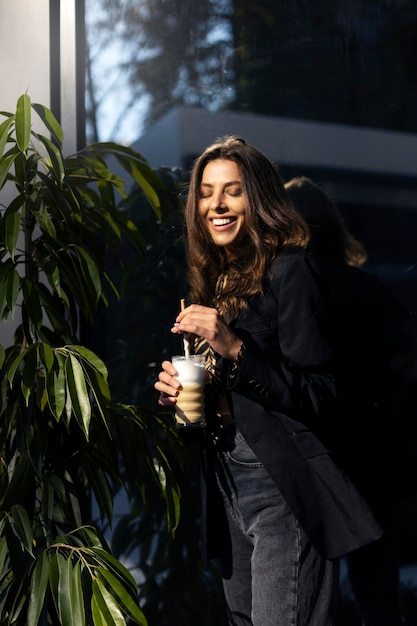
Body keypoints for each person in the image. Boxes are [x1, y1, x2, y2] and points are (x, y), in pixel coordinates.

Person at [155, 136, 382, 626]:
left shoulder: (292, 269)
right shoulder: (218, 279)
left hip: (281, 483)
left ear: (256, 199)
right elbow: (228, 393)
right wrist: (183, 391)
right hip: (225, 479)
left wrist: (235, 348)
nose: (216, 204)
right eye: (206, 191)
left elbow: (319, 392)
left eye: (232, 191)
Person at [285, 175, 416, 626]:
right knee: (376, 597)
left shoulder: (282, 294)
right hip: (369, 460)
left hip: (308, 458)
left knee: (306, 598)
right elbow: (404, 370)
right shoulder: (368, 291)